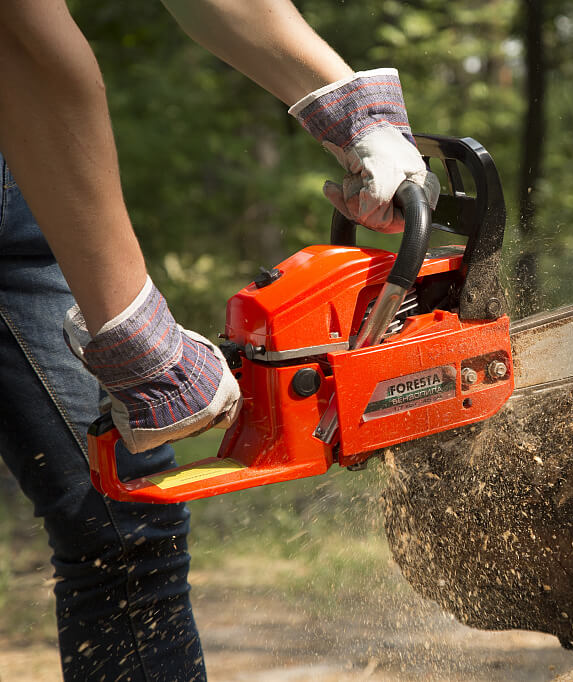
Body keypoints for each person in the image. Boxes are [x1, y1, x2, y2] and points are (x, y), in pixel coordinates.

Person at [0, 1, 438, 679]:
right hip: (26, 111)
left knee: (122, 525)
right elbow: (21, 41)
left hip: (27, 180)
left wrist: (358, 116)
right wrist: (133, 338)